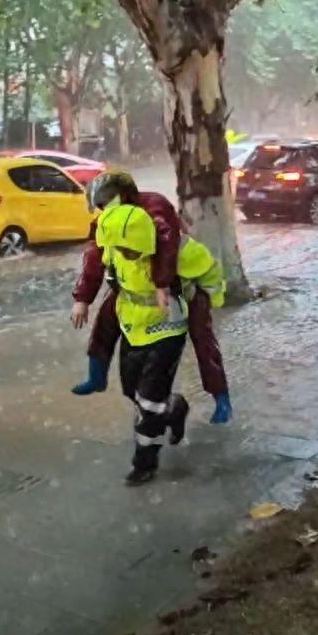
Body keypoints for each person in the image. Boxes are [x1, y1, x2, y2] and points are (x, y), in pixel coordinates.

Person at [71, 170, 232, 423]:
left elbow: (167, 243)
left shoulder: (154, 207)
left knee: (202, 337)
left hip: (180, 285)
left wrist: (163, 284)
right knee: (107, 315)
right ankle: (96, 375)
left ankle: (221, 398)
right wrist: (82, 298)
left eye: (105, 205)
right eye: (99, 208)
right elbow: (94, 254)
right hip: (137, 288)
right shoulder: (109, 220)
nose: (102, 212)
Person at [95, 203, 190, 484]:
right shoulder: (113, 250)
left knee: (149, 402)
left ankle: (145, 463)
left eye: (132, 250)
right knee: (132, 391)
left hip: (167, 330)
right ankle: (174, 408)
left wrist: (210, 299)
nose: (127, 255)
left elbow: (209, 270)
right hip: (133, 329)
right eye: (122, 250)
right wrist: (82, 301)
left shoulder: (175, 250)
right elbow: (98, 272)